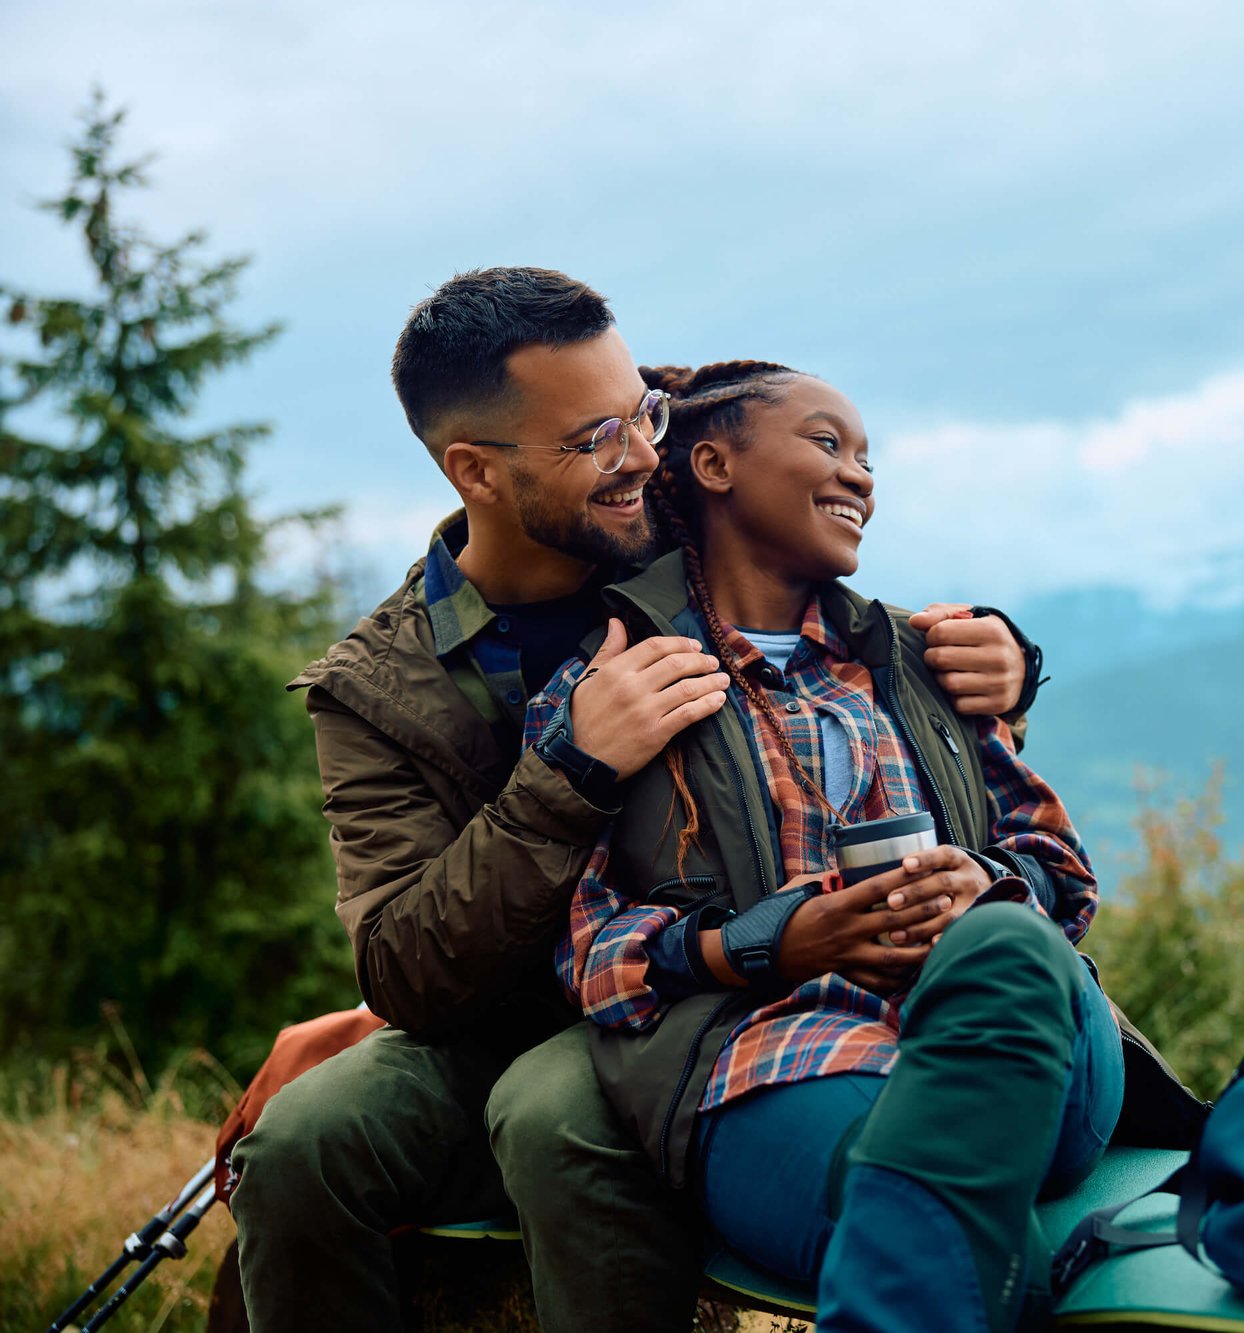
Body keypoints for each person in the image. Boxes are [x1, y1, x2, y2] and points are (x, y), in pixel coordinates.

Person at [228, 270, 1045, 1332]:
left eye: (643, 415)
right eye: (594, 438)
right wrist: (570, 775)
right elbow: (403, 970)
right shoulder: (379, 688)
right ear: (473, 469)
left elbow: (822, 600)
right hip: (508, 1014)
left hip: (710, 982)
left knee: (553, 1117)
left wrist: (1001, 660)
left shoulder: (667, 503)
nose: (640, 455)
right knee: (298, 1143)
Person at [542, 359, 1203, 1332]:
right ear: (713, 463)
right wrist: (774, 940)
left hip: (1023, 1039)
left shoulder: (918, 660)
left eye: (866, 457)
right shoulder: (613, 684)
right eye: (825, 442)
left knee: (1009, 942)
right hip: (779, 1060)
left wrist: (982, 880)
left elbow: (1059, 874)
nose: (860, 476)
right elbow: (586, 948)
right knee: (988, 1260)